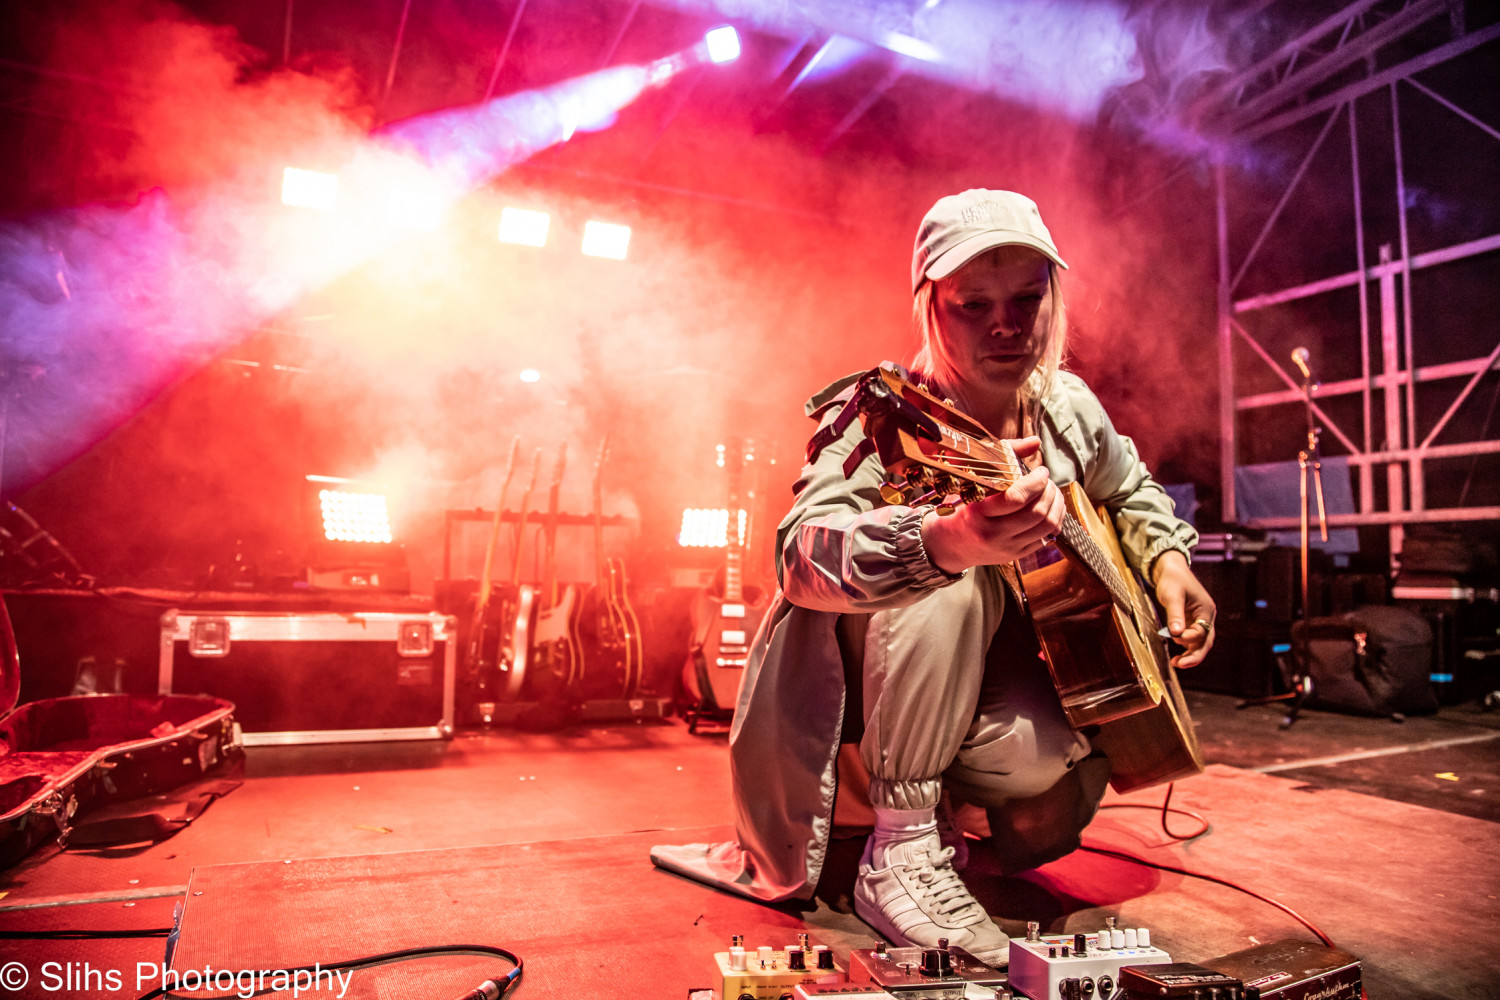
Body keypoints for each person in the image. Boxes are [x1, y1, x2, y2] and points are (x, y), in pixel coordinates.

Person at [651, 189, 1215, 965]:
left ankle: (956, 817)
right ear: (929, 307)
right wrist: (945, 540)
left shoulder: (1067, 407)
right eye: (971, 305)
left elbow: (1130, 487)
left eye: (1027, 298)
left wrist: (1168, 559)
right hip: (855, 715)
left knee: (1039, 753)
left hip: (981, 695)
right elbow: (797, 557)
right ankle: (900, 851)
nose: (1006, 326)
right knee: (943, 568)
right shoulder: (873, 417)